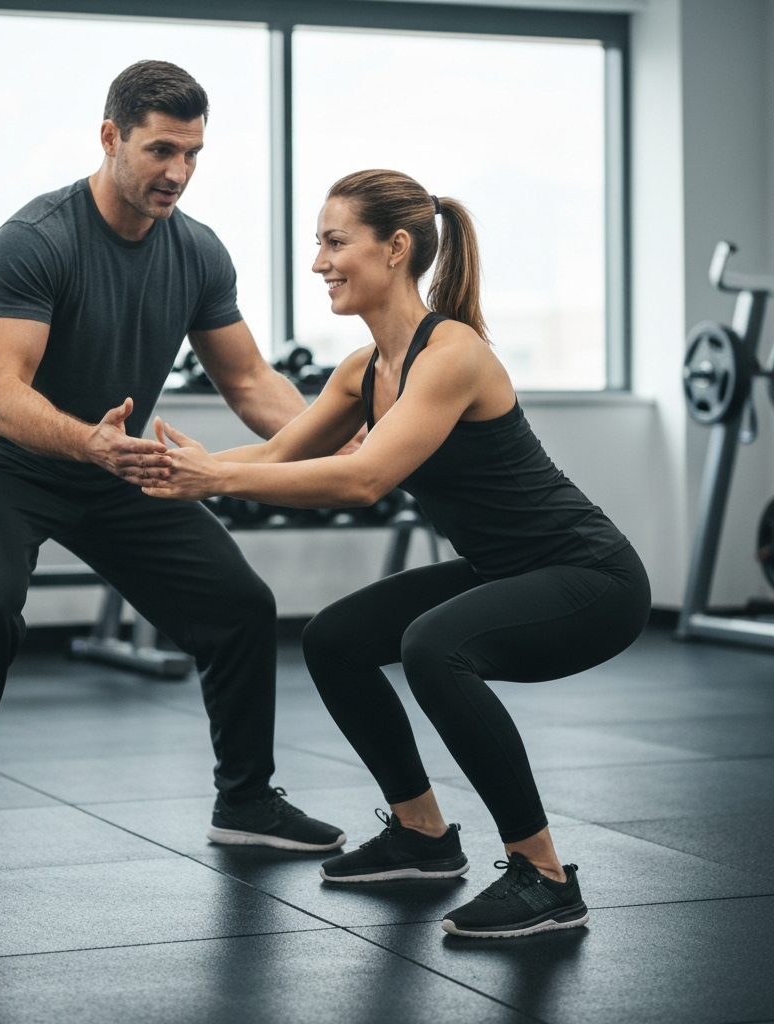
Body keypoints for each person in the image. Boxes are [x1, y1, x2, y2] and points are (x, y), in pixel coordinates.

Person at [139, 169, 652, 939]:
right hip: (506, 570)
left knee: (432, 647)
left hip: (592, 579)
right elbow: (280, 456)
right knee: (335, 639)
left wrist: (213, 474)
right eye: (319, 243)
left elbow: (366, 478)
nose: (319, 262)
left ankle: (545, 876)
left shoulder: (452, 355)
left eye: (336, 241)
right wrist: (174, 468)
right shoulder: (361, 370)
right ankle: (421, 838)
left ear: (397, 248)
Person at [0, 61, 347, 897]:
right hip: (9, 465)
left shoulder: (197, 251)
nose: (177, 173)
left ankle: (247, 800)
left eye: (192, 153)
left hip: (118, 467)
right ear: (110, 138)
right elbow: (2, 395)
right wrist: (93, 445)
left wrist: (352, 451)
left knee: (242, 608)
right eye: (159, 150)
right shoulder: (35, 239)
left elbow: (252, 384)